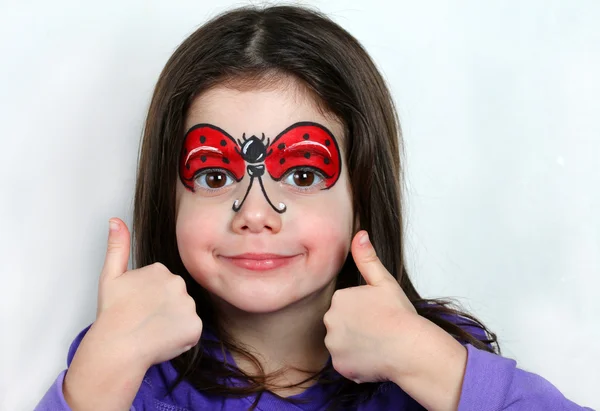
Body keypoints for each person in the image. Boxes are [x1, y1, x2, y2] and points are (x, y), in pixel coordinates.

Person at [35, 5, 593, 411]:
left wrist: (433, 365)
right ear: (168, 197)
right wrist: (99, 379)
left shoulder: (431, 365)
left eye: (302, 174)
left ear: (364, 194)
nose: (254, 213)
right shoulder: (132, 372)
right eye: (212, 174)